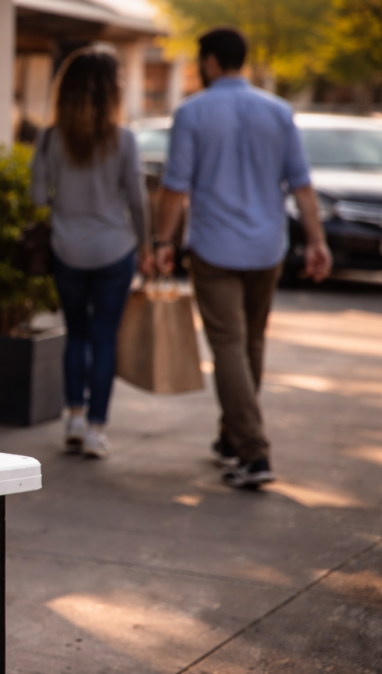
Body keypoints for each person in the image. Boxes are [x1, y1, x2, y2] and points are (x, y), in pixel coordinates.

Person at [154, 27, 331, 488]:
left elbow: (176, 188)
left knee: (229, 347)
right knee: (250, 344)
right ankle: (233, 437)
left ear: (211, 61)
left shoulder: (193, 112)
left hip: (215, 248)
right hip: (267, 246)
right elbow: (302, 184)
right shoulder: (278, 110)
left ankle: (254, 453)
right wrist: (316, 241)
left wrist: (160, 242)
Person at [32, 48, 150, 459]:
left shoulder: (49, 138)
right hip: (115, 250)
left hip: (67, 249)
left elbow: (36, 197)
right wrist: (148, 246)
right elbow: (137, 200)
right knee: (104, 338)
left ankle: (73, 419)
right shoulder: (125, 139)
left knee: (75, 335)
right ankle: (97, 430)